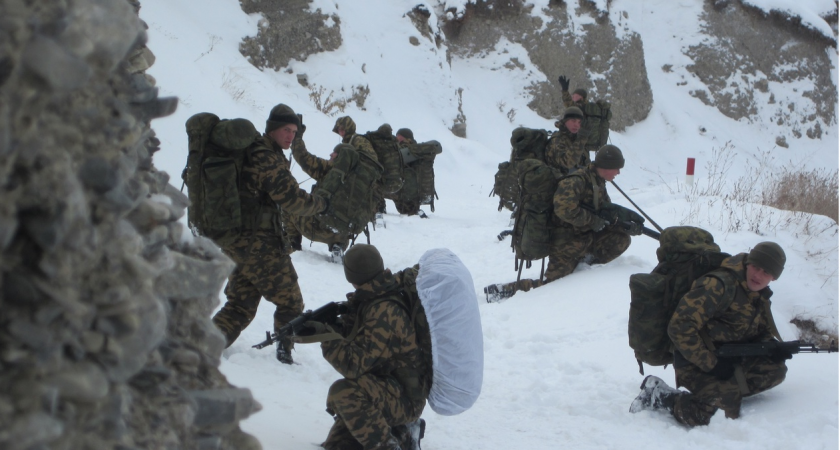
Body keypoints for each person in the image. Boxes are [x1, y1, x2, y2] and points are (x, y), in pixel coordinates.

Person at [211, 103, 327, 365]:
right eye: (286, 130)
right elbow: (291, 199)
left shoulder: (256, 151)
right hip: (259, 245)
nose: (291, 136)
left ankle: (201, 346)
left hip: (238, 242)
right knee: (291, 303)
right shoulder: (266, 156)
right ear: (272, 129)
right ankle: (284, 358)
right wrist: (321, 204)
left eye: (295, 132)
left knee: (240, 304)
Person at [630, 242, 790, 426]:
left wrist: (771, 347)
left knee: (774, 371)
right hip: (694, 361)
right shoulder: (718, 286)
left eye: (766, 272)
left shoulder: (759, 295)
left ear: (774, 277)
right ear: (748, 263)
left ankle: (722, 391)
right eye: (756, 267)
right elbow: (679, 326)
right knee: (717, 415)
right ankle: (659, 395)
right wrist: (712, 364)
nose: (758, 276)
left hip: (728, 358)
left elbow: (758, 332)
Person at [314, 244, 430, 450]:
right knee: (338, 446)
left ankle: (390, 444)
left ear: (351, 276)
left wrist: (327, 337)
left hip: (405, 397)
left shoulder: (383, 311)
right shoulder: (379, 292)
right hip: (386, 385)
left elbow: (353, 366)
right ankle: (402, 432)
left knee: (344, 393)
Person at [485, 145, 638, 301]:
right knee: (552, 284)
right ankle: (505, 290)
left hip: (585, 238)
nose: (618, 172)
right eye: (617, 168)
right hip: (566, 242)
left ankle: (585, 265)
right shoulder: (577, 181)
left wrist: (622, 224)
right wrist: (593, 221)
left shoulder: (598, 182)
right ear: (606, 166)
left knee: (621, 239)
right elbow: (563, 210)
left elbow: (603, 212)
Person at [287, 124, 351, 262]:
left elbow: (303, 157)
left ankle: (293, 243)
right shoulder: (356, 179)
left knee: (288, 204)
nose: (330, 154)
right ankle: (338, 246)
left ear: (340, 156)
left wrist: (297, 137)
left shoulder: (329, 169)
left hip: (314, 228)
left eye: (334, 152)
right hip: (340, 233)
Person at [544, 106, 588, 174]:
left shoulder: (576, 139)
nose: (576, 125)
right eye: (573, 121)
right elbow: (567, 163)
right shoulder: (556, 140)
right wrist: (581, 140)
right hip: (556, 181)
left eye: (579, 122)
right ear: (565, 121)